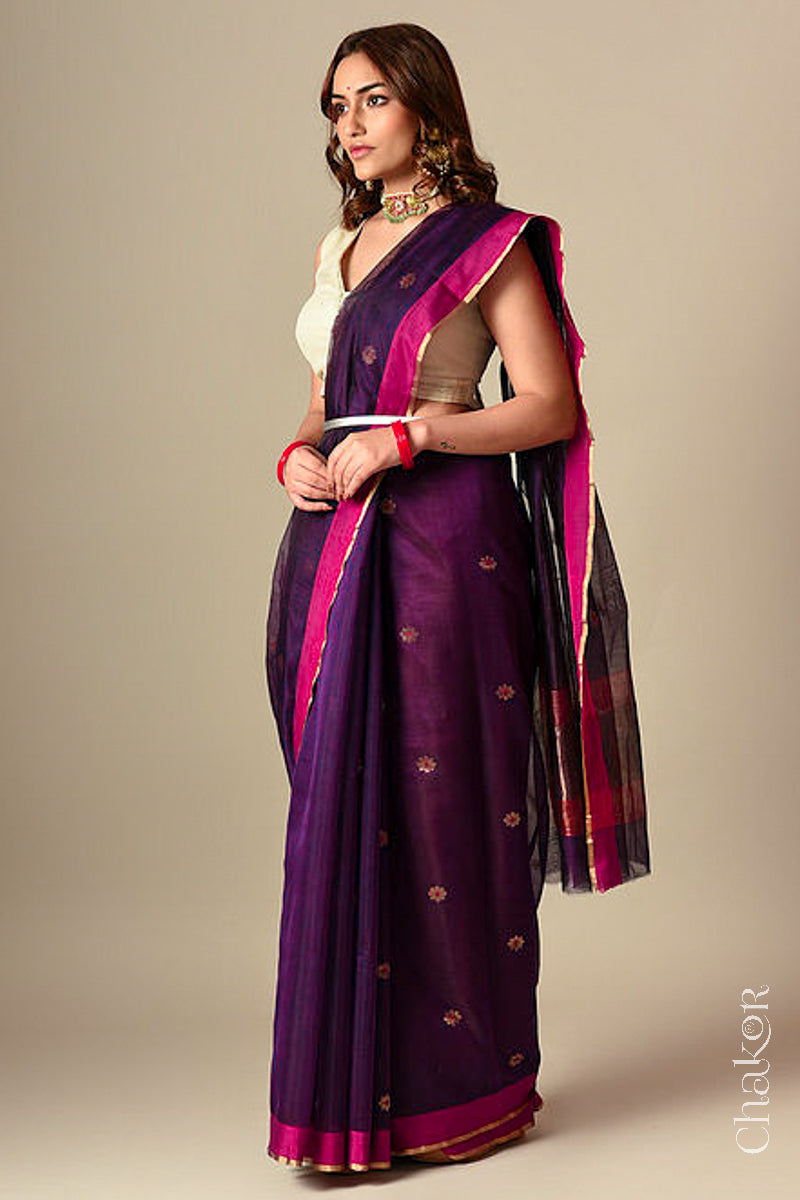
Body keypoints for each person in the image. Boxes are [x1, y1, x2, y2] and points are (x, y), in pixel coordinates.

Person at [265, 22, 651, 1175]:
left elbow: (546, 409)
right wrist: (293, 457)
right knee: (342, 807)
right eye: (336, 106)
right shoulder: (342, 242)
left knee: (445, 808)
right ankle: (348, 1100)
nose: (349, 125)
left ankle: (460, 1093)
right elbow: (318, 400)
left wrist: (413, 438)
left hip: (438, 550)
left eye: (372, 100)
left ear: (428, 110)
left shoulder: (487, 247)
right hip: (331, 545)